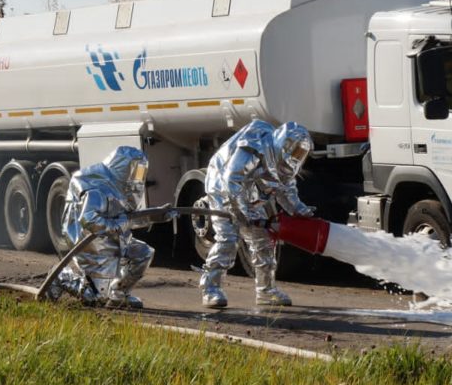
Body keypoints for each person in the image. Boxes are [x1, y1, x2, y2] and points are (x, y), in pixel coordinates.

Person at [199, 120, 314, 308]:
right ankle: (210, 288)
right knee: (228, 239)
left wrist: (300, 210)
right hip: (222, 187)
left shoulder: (285, 162)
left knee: (263, 241)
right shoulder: (254, 145)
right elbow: (232, 180)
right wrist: (244, 214)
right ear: (284, 145)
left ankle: (266, 291)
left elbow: (287, 188)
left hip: (249, 190)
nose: (296, 157)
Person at [47, 146, 175, 308]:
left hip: (112, 236)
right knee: (96, 299)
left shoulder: (120, 187)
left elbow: (128, 219)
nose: (138, 177)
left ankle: (119, 293)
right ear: (123, 168)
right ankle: (62, 277)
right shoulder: (97, 190)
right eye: (136, 171)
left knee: (143, 253)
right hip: (90, 241)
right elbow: (88, 221)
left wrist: (157, 216)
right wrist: (116, 226)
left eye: (141, 172)